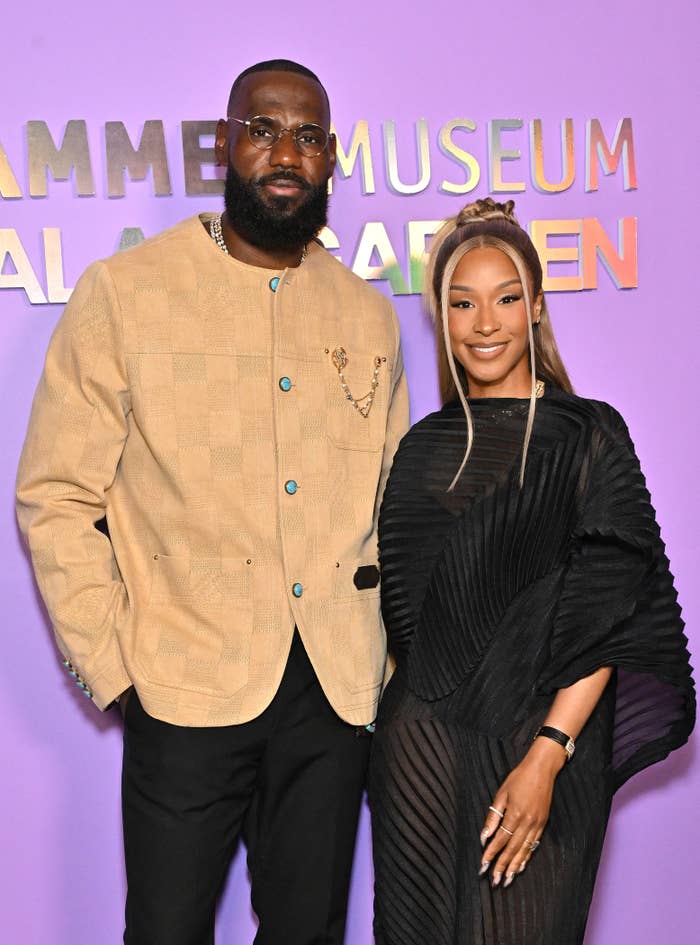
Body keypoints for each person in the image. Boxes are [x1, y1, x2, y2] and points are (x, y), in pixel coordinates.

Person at [16, 59, 408, 945]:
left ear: (330, 157)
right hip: (181, 686)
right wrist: (117, 668)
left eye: (308, 136)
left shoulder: (367, 316)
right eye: (263, 129)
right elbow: (54, 493)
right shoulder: (126, 293)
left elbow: (393, 508)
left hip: (333, 695)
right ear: (226, 143)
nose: (286, 153)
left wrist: (383, 669)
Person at [369, 197, 695, 945]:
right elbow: (408, 630)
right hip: (420, 760)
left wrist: (547, 755)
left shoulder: (589, 436)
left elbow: (610, 616)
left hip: (542, 747)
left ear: (538, 306)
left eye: (507, 298)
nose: (485, 323)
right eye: (463, 303)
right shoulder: (421, 448)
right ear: (442, 317)